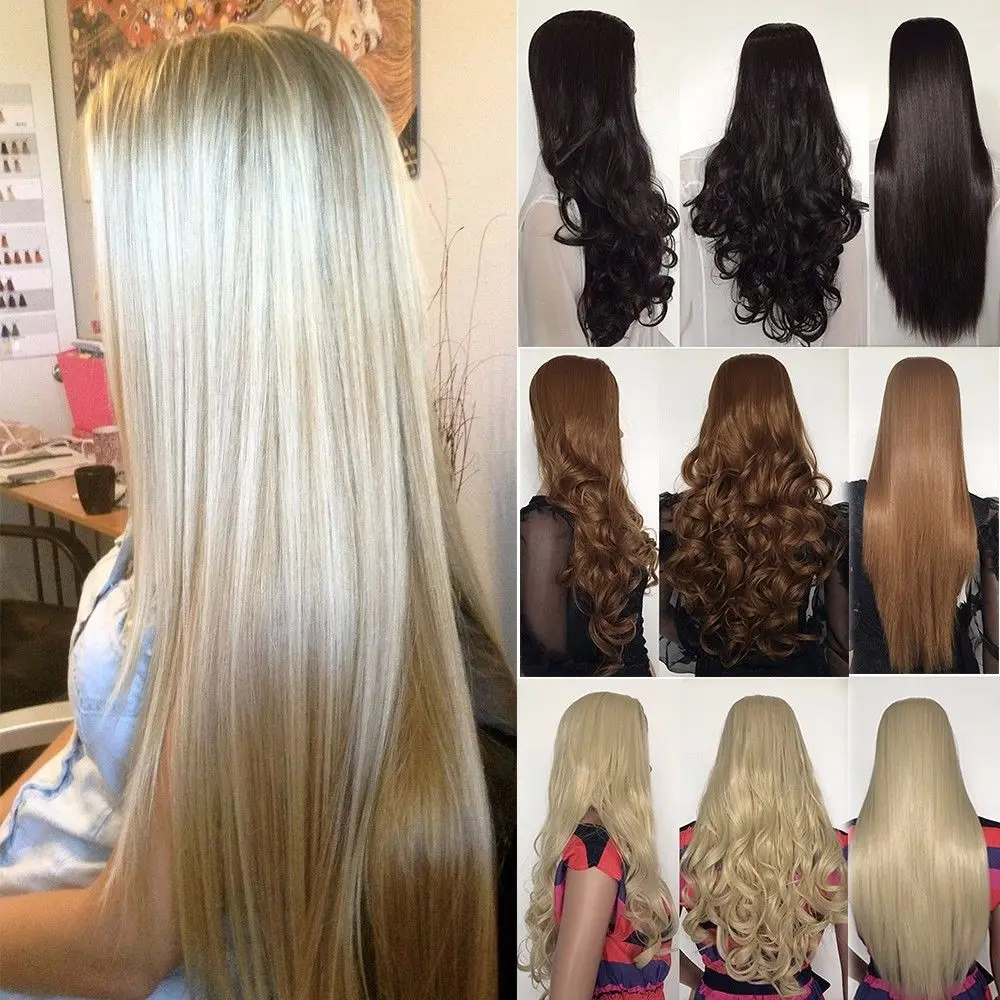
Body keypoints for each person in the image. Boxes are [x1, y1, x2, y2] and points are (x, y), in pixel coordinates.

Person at [0, 26, 514, 1000]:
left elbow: (123, 948)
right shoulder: (207, 513)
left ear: (205, 293)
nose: (108, 306)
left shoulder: (253, 614)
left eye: (122, 258)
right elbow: (84, 749)